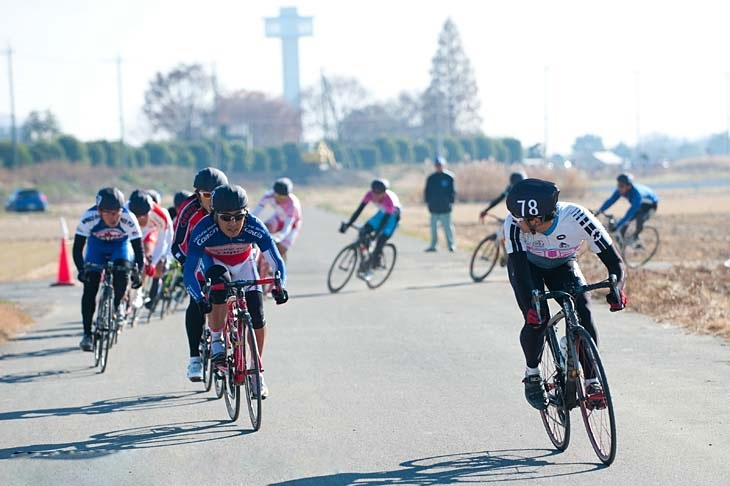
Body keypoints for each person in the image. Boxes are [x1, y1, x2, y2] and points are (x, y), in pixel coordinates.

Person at [504, 178, 627, 410]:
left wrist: (617, 289)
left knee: (584, 308)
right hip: (527, 267)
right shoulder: (511, 225)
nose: (514, 221)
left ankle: (592, 382)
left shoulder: (578, 217)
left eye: (520, 219)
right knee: (537, 319)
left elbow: (615, 263)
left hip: (563, 264)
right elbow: (520, 273)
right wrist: (531, 307)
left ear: (536, 219)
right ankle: (532, 374)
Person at [184, 184, 289, 399]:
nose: (232, 223)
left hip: (244, 265)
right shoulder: (203, 230)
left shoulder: (254, 225)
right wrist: (200, 298)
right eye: (225, 217)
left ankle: (256, 371)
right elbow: (189, 271)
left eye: (238, 216)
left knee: (258, 316)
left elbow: (276, 260)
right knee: (219, 288)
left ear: (246, 213)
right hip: (215, 264)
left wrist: (281, 285)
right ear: (214, 215)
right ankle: (216, 341)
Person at [172, 167, 229, 382]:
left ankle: (230, 331)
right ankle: (194, 358)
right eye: (207, 195)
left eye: (216, 194)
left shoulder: (230, 201)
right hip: (196, 253)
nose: (212, 200)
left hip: (223, 253)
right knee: (196, 302)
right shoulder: (189, 209)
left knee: (227, 289)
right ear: (197, 195)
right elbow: (176, 244)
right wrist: (188, 264)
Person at [73, 187, 144, 351]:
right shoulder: (88, 217)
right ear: (99, 211)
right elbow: (77, 248)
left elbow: (138, 250)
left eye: (117, 212)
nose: (114, 217)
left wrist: (137, 272)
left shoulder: (128, 218)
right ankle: (87, 334)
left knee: (122, 272)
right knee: (90, 287)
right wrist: (81, 269)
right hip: (96, 248)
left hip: (120, 247)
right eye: (110, 213)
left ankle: (118, 304)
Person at [339, 178, 402, 280]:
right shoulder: (369, 195)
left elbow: (384, 222)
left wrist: (375, 235)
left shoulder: (390, 201)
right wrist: (348, 224)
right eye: (374, 193)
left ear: (384, 193)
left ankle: (373, 265)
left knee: (380, 241)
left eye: (379, 194)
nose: (376, 196)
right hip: (381, 214)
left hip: (392, 218)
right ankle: (366, 257)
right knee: (363, 233)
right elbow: (358, 211)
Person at [595, 173, 659, 242]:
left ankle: (635, 238)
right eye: (618, 185)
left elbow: (629, 213)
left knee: (640, 219)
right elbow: (610, 201)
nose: (619, 188)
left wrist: (617, 225)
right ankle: (622, 249)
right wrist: (599, 211)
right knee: (624, 226)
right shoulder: (620, 190)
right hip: (639, 205)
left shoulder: (637, 195)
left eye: (621, 186)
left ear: (629, 186)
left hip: (651, 205)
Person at [251, 177, 302, 260]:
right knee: (264, 228)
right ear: (274, 192)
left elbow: (287, 226)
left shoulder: (293, 204)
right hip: (278, 218)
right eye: (277, 196)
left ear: (288, 195)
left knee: (281, 248)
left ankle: (277, 266)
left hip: (293, 225)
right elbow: (256, 212)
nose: (278, 200)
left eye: (282, 198)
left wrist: (279, 238)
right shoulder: (268, 196)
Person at [126, 191, 159, 310]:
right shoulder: (124, 210)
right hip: (132, 234)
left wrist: (153, 261)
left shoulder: (159, 213)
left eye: (144, 215)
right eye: (137, 215)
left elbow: (166, 238)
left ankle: (139, 289)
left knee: (145, 258)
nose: (140, 218)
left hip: (149, 233)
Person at [424, 156, 456, 252]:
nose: (438, 167)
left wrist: (451, 202)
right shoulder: (431, 178)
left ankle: (451, 245)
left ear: (443, 165)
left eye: (440, 165)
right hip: (434, 207)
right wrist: (428, 203)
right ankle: (433, 245)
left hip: (445, 207)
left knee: (448, 228)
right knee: (433, 229)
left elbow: (452, 192)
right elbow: (427, 192)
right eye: (437, 165)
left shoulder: (449, 177)